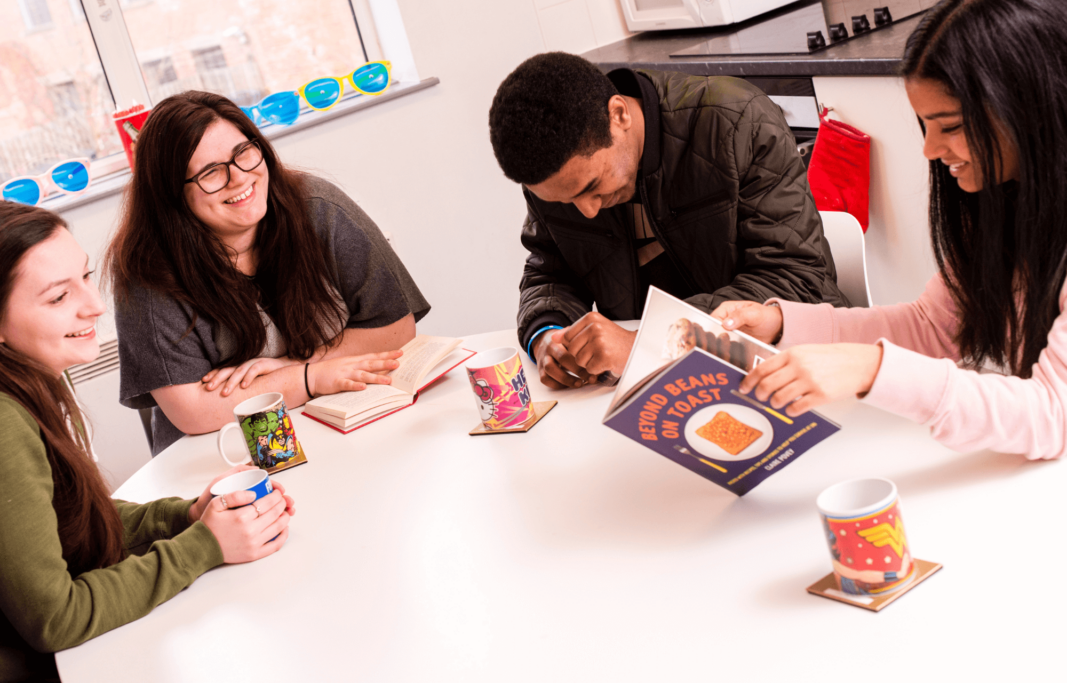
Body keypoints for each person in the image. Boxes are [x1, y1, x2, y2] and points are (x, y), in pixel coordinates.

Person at [714, 0, 1067, 460]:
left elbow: (1053, 414)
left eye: (950, 126)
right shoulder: (1006, 196)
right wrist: (781, 325)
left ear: (1026, 108)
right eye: (925, 125)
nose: (929, 149)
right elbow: (934, 326)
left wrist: (872, 369)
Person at [0, 202, 295, 682]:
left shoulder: (32, 380)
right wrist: (203, 547)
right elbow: (56, 618)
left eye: (85, 277)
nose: (95, 306)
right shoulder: (5, 421)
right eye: (58, 297)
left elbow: (61, 521)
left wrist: (186, 517)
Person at [489, 52, 846, 390]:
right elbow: (549, 271)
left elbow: (796, 279)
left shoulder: (738, 121)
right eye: (565, 201)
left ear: (619, 115)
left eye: (593, 187)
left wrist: (651, 340)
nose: (587, 210)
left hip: (791, 365)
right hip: (654, 382)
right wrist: (547, 335)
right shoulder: (559, 178)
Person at [106, 91, 430, 455]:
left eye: (243, 152)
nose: (239, 178)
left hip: (342, 425)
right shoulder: (146, 271)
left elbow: (395, 328)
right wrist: (308, 378)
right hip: (221, 455)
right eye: (211, 172)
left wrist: (290, 366)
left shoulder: (320, 208)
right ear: (171, 195)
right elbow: (193, 411)